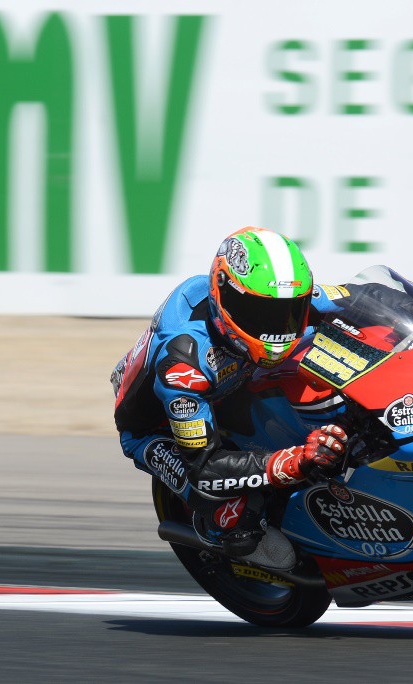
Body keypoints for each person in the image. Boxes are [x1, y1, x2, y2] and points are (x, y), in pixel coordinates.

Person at [111, 227, 349, 571]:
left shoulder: (273, 295)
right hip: (159, 429)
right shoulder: (184, 362)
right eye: (260, 313)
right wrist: (292, 462)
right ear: (223, 295)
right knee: (238, 519)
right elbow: (205, 468)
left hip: (236, 382)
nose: (276, 328)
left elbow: (355, 297)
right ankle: (221, 529)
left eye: (286, 312)